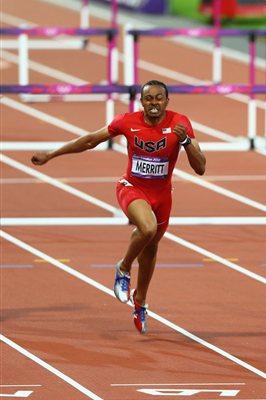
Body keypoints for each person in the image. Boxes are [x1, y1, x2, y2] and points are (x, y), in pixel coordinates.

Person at [31, 80, 206, 334]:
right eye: (148, 99)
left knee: (151, 247)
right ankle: (123, 268)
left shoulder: (180, 123)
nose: (154, 103)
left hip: (162, 196)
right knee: (146, 229)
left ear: (167, 101)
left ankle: (141, 301)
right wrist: (51, 154)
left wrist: (186, 142)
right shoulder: (127, 121)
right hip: (131, 188)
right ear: (141, 102)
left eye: (159, 98)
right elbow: (91, 140)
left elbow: (200, 167)